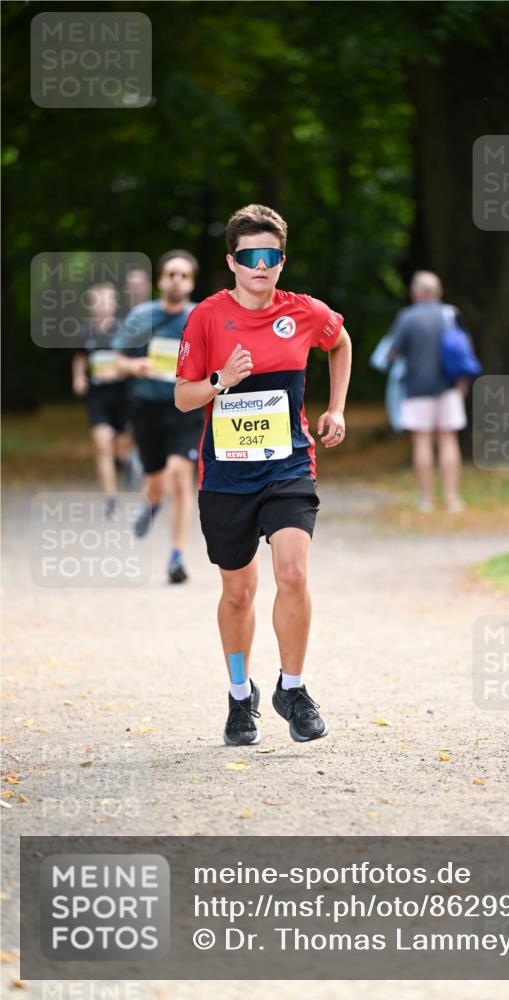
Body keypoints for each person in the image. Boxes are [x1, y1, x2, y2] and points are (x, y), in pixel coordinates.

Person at [174, 204, 352, 747]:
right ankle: (237, 696)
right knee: (238, 593)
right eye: (249, 256)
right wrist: (220, 380)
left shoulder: (303, 312)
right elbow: (184, 399)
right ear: (232, 260)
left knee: (293, 573)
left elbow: (339, 342)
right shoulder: (207, 317)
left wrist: (336, 407)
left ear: (281, 260)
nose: (260, 265)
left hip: (288, 464)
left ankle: (292, 689)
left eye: (270, 256)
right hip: (226, 476)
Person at [114, 250, 203, 583]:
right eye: (171, 274)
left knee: (181, 477)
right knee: (156, 482)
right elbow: (117, 360)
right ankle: (151, 503)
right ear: (160, 280)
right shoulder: (142, 316)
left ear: (191, 282)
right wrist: (134, 366)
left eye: (183, 275)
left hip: (186, 409)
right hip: (147, 408)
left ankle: (176, 557)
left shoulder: (200, 317)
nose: (176, 280)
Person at [389, 271, 468, 513]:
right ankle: (453, 498)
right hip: (449, 386)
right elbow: (463, 350)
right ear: (438, 292)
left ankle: (426, 500)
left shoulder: (407, 317)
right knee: (448, 440)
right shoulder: (450, 314)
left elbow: (393, 354)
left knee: (422, 441)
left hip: (416, 388)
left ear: (415, 293)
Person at [72, 283, 132, 516]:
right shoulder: (85, 332)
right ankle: (111, 499)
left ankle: (125, 460)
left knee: (120, 445)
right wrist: (78, 378)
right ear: (91, 305)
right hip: (97, 395)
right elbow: (79, 358)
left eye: (107, 301)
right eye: (98, 301)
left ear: (114, 304)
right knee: (101, 442)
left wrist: (117, 372)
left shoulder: (124, 330)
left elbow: (135, 364)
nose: (103, 305)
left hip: (123, 393)